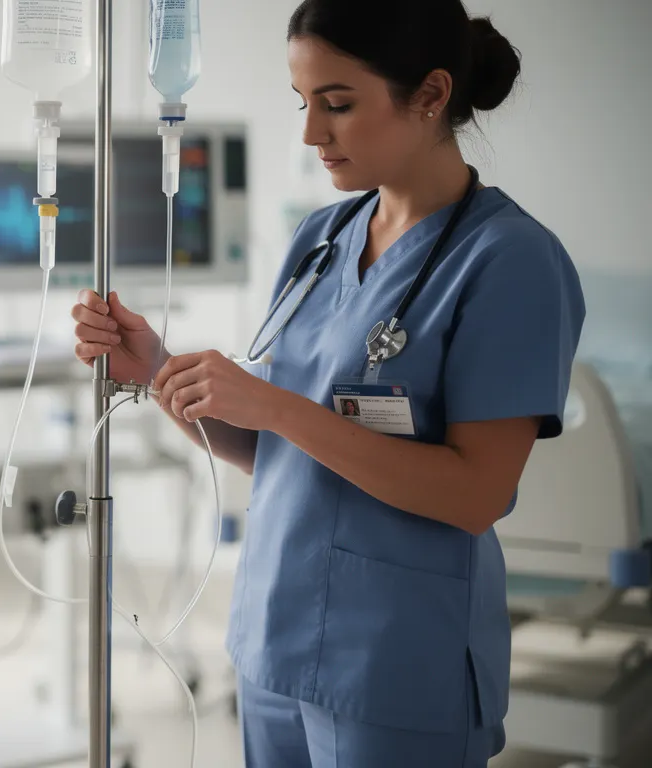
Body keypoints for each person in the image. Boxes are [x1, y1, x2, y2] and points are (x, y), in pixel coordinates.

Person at [70, 1, 585, 765]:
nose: (313, 133)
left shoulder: (511, 262)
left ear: (432, 96)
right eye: (304, 103)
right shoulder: (324, 239)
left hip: (399, 660)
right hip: (275, 638)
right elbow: (276, 451)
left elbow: (476, 494)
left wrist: (278, 405)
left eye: (338, 104)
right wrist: (154, 371)